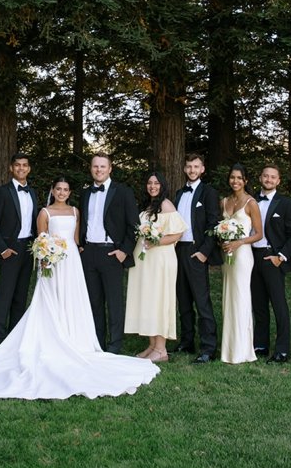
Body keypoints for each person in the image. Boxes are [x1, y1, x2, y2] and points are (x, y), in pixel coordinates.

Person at [0, 176, 160, 399]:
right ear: (52, 191)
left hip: (72, 262)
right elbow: (41, 237)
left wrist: (78, 252)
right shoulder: (44, 211)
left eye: (66, 189)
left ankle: (77, 338)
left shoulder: (76, 210)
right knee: (48, 299)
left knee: (73, 299)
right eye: (58, 189)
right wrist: (46, 254)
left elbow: (76, 240)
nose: (62, 192)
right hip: (51, 261)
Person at [78, 153, 139, 353]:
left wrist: (124, 251)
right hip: (89, 253)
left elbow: (133, 226)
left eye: (103, 166)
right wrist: (80, 245)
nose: (99, 170)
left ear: (110, 168)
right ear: (91, 169)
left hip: (112, 253)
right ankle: (98, 344)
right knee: (94, 302)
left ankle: (114, 346)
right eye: (95, 166)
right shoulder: (85, 192)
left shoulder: (123, 192)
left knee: (114, 303)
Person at [124, 172, 185, 362]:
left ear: (162, 185)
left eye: (156, 183)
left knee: (159, 300)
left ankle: (161, 349)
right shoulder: (148, 206)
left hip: (160, 259)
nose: (152, 186)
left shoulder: (166, 205)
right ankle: (152, 345)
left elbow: (178, 234)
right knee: (148, 300)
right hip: (145, 259)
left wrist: (157, 241)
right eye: (149, 183)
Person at [0, 153, 41, 346]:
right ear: (11, 168)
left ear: (29, 168)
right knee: (5, 294)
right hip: (10, 249)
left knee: (21, 294)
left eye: (25, 165)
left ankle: (15, 337)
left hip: (28, 248)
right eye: (17, 165)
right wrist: (3, 249)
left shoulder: (33, 192)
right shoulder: (2, 192)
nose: (21, 168)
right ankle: (0, 339)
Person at [174, 153, 220, 363]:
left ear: (202, 169)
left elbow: (213, 224)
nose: (192, 170)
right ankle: (186, 341)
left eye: (196, 167)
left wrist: (204, 252)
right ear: (184, 169)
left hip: (197, 250)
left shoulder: (209, 193)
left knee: (202, 301)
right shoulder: (178, 193)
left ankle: (209, 347)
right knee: (183, 299)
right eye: (189, 166)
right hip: (177, 250)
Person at [250, 164, 291, 363]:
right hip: (252, 256)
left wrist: (281, 257)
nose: (268, 179)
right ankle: (260, 344)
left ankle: (282, 349)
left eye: (273, 177)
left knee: (279, 304)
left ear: (278, 181)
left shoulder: (285, 203)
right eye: (265, 175)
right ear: (260, 177)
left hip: (273, 258)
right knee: (258, 303)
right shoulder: (250, 200)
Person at [217, 163, 263, 364]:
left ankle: (242, 349)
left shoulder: (251, 203)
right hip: (227, 255)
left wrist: (239, 242)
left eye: (239, 178)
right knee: (229, 298)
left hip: (243, 254)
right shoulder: (224, 201)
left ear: (246, 181)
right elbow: (221, 227)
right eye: (232, 177)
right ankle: (228, 348)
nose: (235, 181)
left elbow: (259, 234)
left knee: (241, 297)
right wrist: (223, 240)